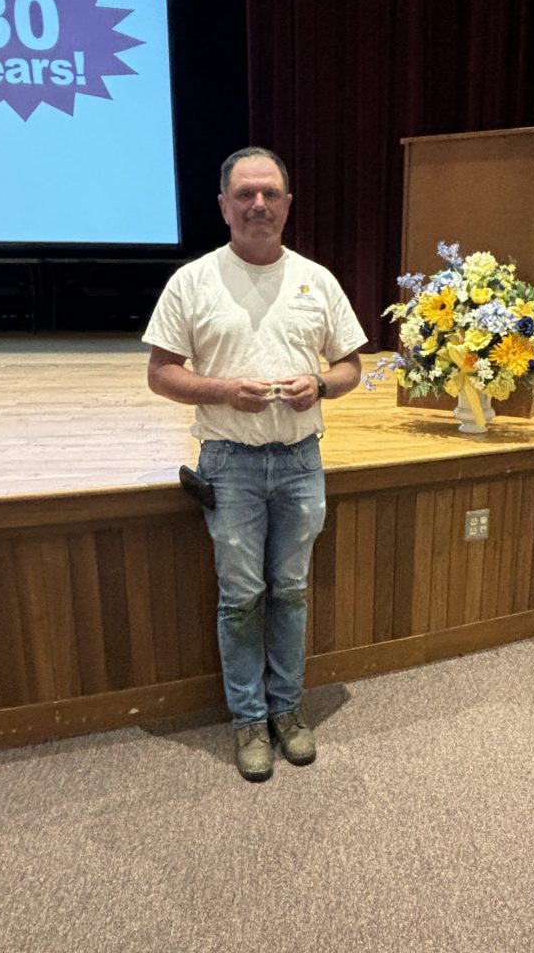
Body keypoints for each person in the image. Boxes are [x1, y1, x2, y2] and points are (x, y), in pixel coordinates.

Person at [142, 146, 367, 781]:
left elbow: (352, 365)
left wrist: (321, 385)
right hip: (230, 466)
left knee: (291, 591)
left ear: (288, 205)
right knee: (242, 596)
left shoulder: (317, 280)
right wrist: (222, 390)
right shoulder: (192, 281)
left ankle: (288, 710)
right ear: (223, 205)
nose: (258, 204)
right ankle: (249, 720)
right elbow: (160, 374)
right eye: (245, 194)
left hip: (300, 461)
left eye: (269, 193)